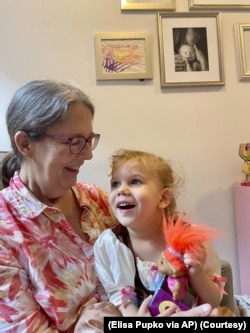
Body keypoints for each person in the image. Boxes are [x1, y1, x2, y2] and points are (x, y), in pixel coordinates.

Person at [0, 80, 223, 333]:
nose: (88, 155)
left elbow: (160, 243)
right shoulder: (5, 230)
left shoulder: (95, 199)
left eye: (88, 140)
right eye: (74, 141)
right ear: (26, 144)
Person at [94, 149, 226, 317]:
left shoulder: (191, 239)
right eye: (115, 184)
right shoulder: (110, 244)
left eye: (134, 182)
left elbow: (213, 302)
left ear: (163, 198)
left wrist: (196, 273)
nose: (121, 190)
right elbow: (121, 299)